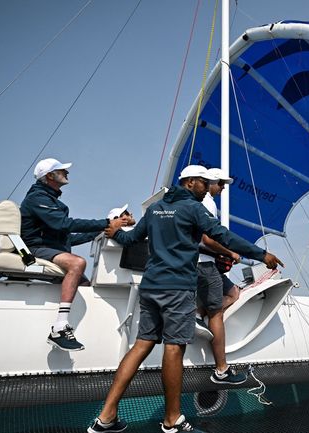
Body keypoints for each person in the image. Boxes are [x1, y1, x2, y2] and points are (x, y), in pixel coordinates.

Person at [88, 165, 283, 433]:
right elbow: (222, 236)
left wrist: (115, 233)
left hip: (151, 287)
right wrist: (262, 255)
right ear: (190, 182)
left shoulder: (154, 209)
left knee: (141, 345)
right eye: (204, 182)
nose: (207, 187)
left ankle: (106, 418)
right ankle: (172, 421)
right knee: (173, 348)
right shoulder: (193, 209)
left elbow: (132, 238)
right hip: (177, 288)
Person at [20, 158, 130, 352]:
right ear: (49, 176)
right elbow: (65, 225)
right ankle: (59, 329)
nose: (66, 173)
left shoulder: (49, 199)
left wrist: (104, 230)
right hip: (35, 248)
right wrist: (105, 223)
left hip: (49, 248)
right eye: (62, 171)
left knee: (86, 287)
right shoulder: (38, 198)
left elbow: (67, 238)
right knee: (77, 263)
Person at [194, 168, 247, 385]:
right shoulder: (207, 202)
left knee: (234, 292)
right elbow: (206, 239)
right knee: (217, 316)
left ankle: (200, 314)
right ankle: (221, 370)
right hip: (203, 264)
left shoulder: (197, 202)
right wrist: (229, 252)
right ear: (211, 182)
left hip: (202, 264)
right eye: (221, 184)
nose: (223, 188)